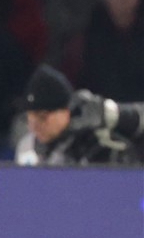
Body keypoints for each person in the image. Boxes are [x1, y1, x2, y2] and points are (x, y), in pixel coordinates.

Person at [15, 64, 144, 166]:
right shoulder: (27, 148)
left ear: (65, 111)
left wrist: (116, 114)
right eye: (30, 118)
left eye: (42, 117)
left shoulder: (98, 144)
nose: (35, 126)